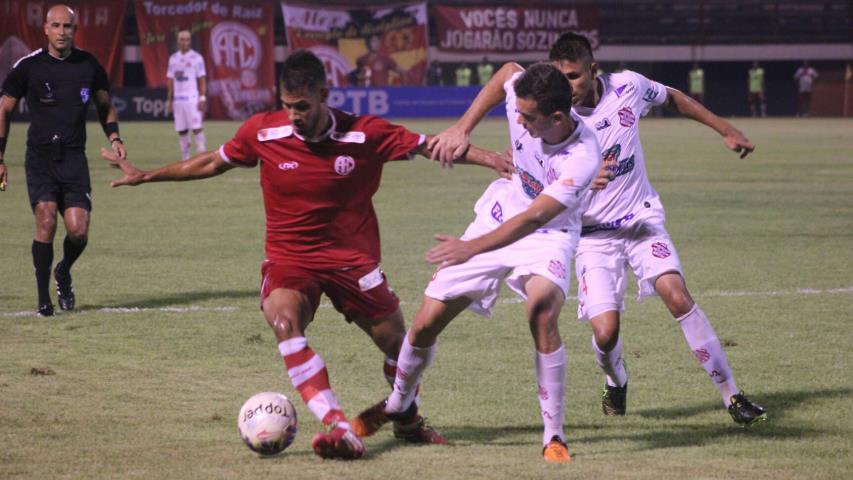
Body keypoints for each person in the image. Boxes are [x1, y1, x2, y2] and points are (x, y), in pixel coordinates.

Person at [102, 50, 505, 460]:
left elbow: (430, 146)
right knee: (285, 322)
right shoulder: (263, 132)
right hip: (290, 260)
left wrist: (491, 159)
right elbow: (211, 162)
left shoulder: (364, 133)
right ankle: (340, 427)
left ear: (324, 96)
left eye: (302, 106)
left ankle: (407, 420)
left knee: (401, 350)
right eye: (287, 105)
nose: (293, 115)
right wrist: (146, 175)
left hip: (353, 260)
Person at [350, 63, 604, 464]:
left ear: (557, 118)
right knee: (425, 323)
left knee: (542, 313)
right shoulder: (523, 100)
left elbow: (536, 218)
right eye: (518, 112)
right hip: (499, 214)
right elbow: (507, 72)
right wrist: (462, 128)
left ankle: (553, 435)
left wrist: (472, 248)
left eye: (528, 117)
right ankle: (398, 402)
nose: (518, 121)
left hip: (549, 234)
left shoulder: (583, 155)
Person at [545, 32, 766, 426]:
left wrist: (725, 129)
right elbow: (542, 184)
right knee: (605, 334)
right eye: (559, 78)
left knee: (677, 296)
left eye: (573, 76)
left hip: (640, 221)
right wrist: (582, 179)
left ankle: (732, 395)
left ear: (593, 70)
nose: (567, 86)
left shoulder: (628, 87)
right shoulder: (553, 120)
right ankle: (616, 380)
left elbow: (673, 98)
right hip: (593, 237)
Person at [0, 4, 126, 317]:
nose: (61, 32)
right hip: (40, 158)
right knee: (46, 219)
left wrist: (115, 137)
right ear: (45, 29)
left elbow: (105, 105)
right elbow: (4, 109)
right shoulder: (28, 67)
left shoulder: (88, 65)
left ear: (75, 30)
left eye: (67, 26)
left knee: (78, 230)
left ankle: (63, 271)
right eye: (55, 25)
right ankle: (44, 301)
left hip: (73, 158)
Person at [166, 30, 207, 160]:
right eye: (182, 39)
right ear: (177, 41)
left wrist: (202, 97)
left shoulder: (197, 58)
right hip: (178, 100)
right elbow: (170, 80)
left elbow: (202, 79)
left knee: (196, 128)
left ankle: (202, 156)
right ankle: (185, 158)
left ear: (190, 41)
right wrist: (169, 100)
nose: (184, 42)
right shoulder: (173, 59)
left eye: (187, 39)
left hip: (192, 99)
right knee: (182, 130)